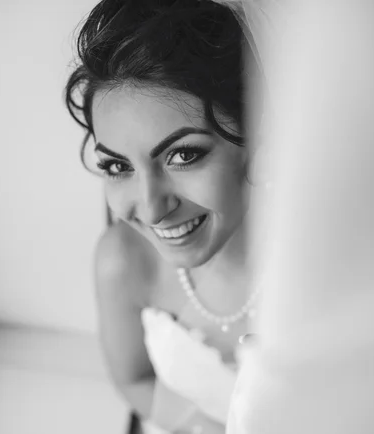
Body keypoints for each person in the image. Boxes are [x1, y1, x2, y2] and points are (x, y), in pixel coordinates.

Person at [64, 1, 262, 432]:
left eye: (183, 155)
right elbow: (134, 380)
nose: (152, 208)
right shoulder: (122, 262)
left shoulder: (323, 253)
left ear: (253, 134)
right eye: (118, 167)